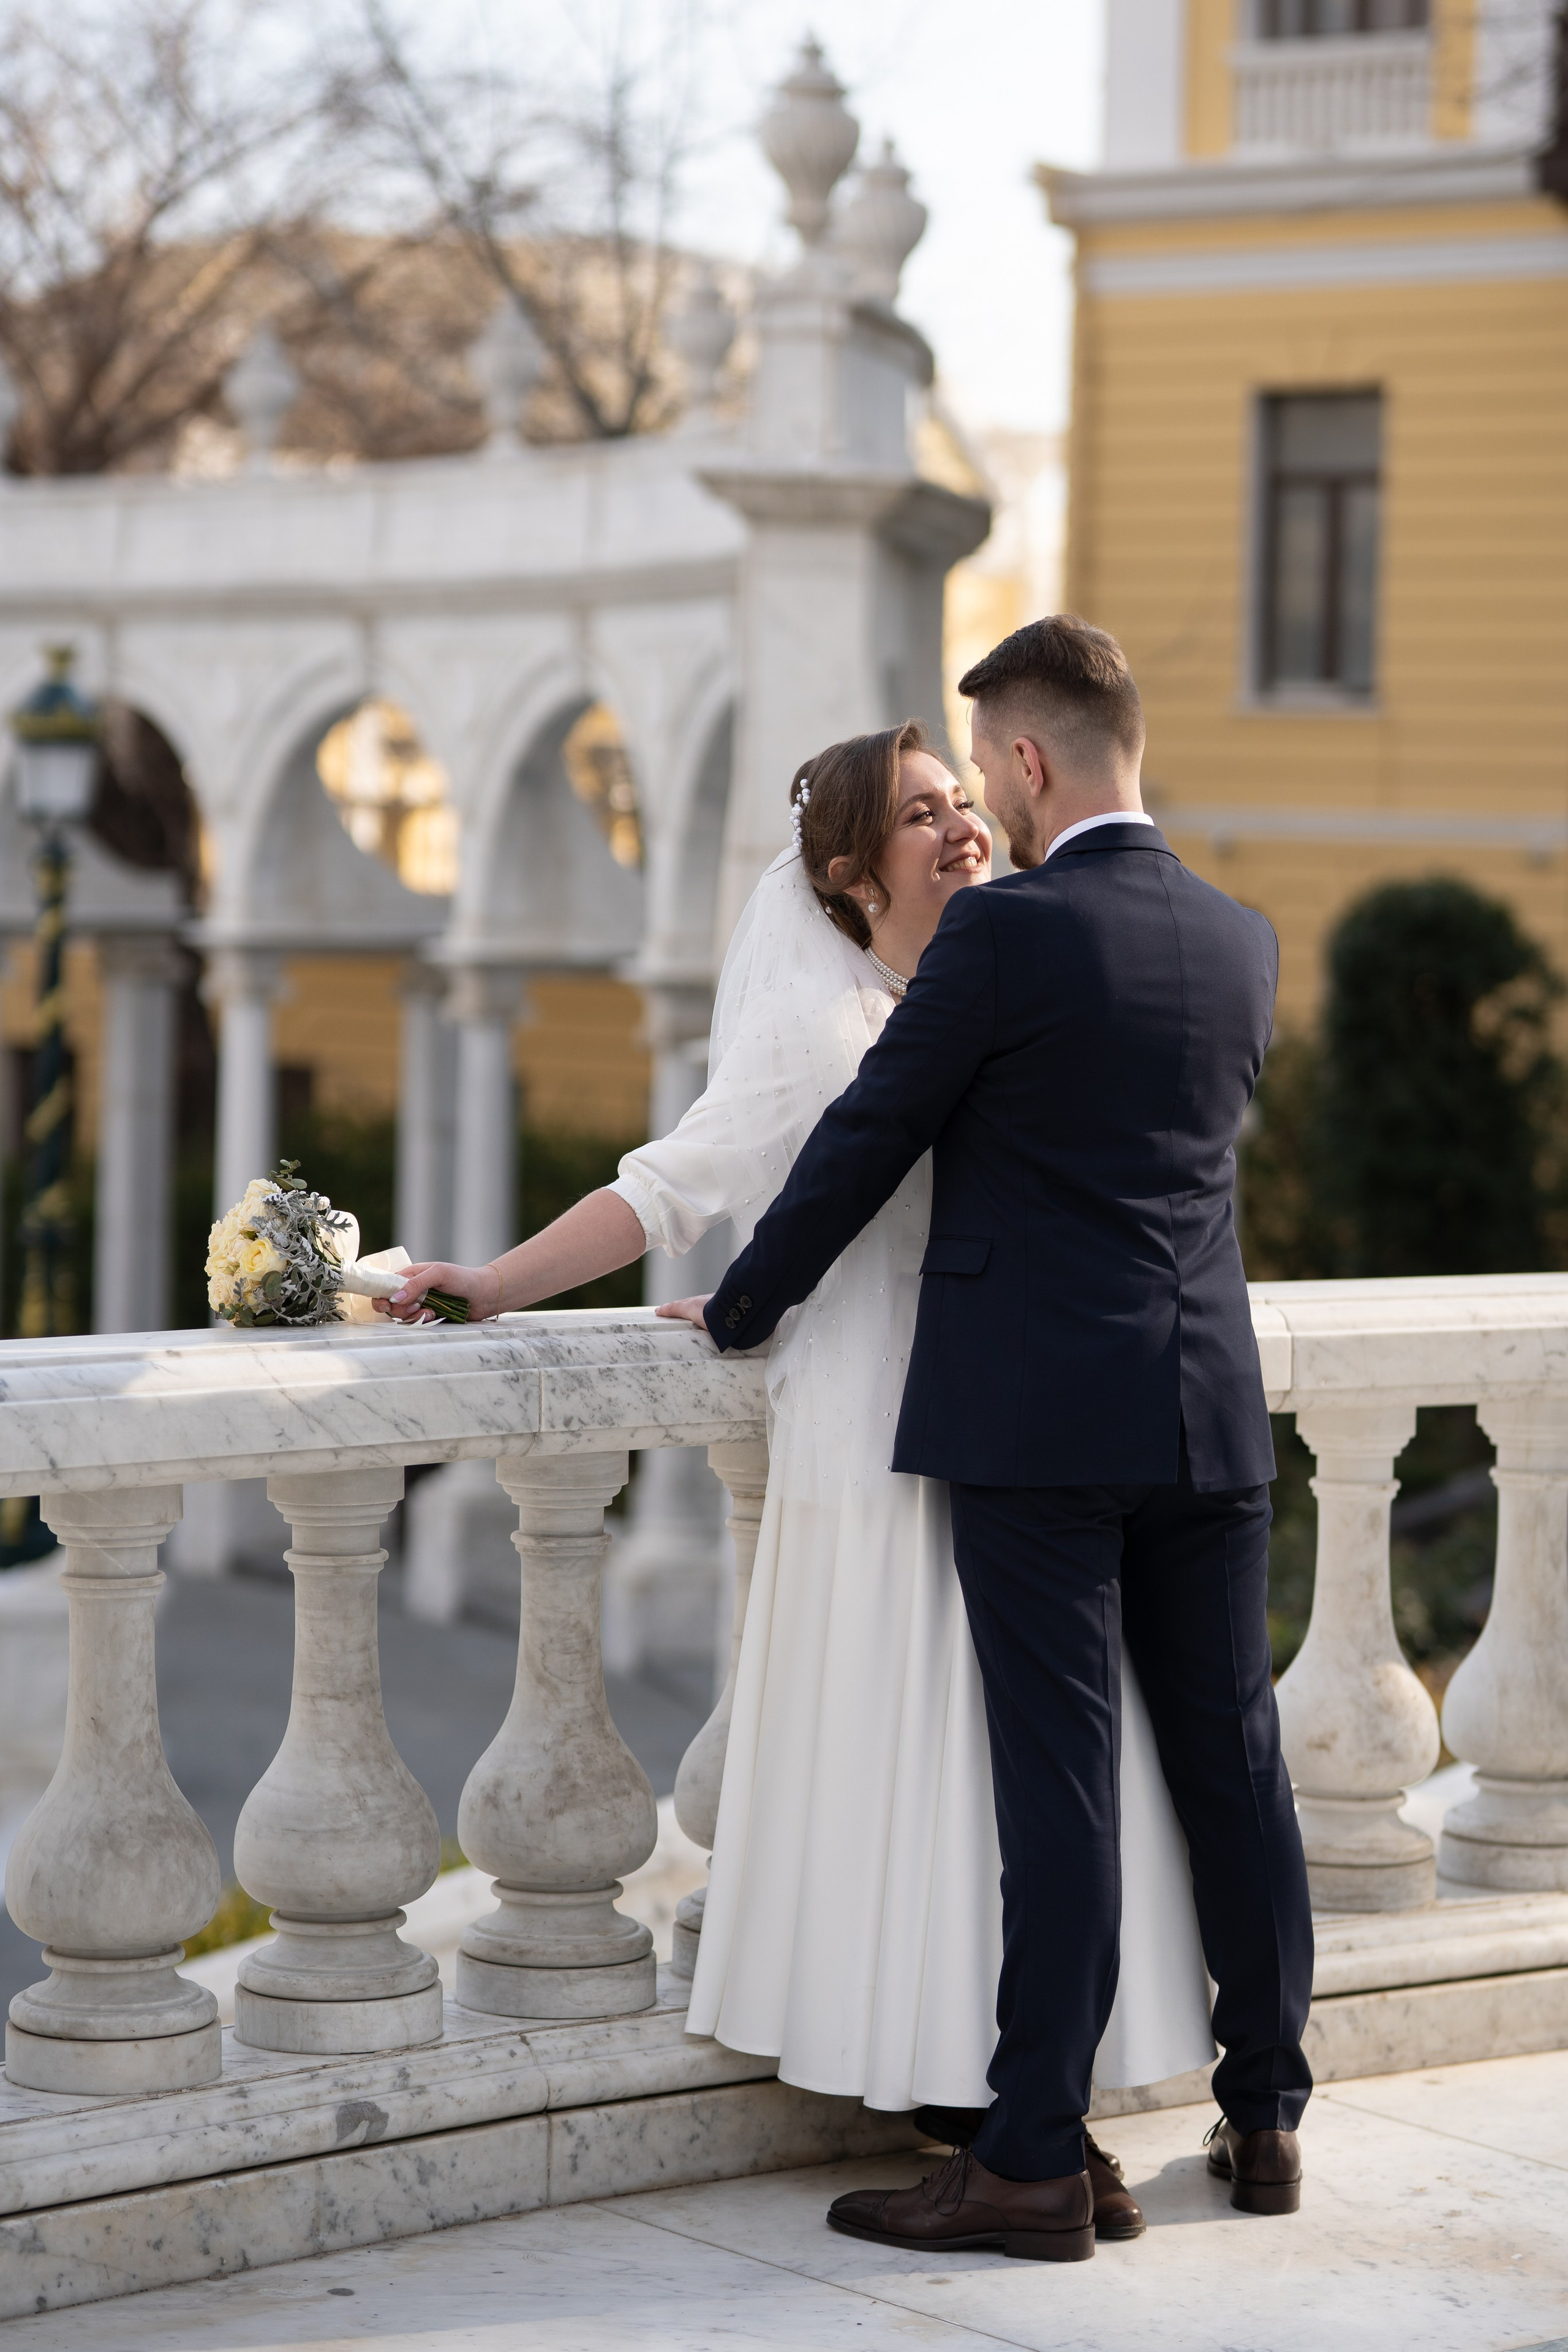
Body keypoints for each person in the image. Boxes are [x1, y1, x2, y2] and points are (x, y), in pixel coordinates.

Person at [382, 712, 1221, 2246]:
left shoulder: (970, 989)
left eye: (965, 798)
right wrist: (491, 1287)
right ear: (844, 875)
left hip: (985, 1427)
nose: (963, 826)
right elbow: (668, 1185)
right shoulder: (814, 1029)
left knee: (993, 1776)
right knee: (926, 1763)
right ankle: (988, 2110)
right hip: (878, 1436)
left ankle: (1033, 2115)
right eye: (922, 813)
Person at [698, 617, 1315, 2264]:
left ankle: (1032, 2155)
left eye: (988, 777)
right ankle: (1266, 2112)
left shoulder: (1007, 938)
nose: (990, 810)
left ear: (1031, 762)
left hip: (1039, 1423)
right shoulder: (1243, 940)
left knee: (1059, 1793)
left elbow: (865, 1141)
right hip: (1209, 1412)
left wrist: (743, 1307)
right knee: (1233, 1763)